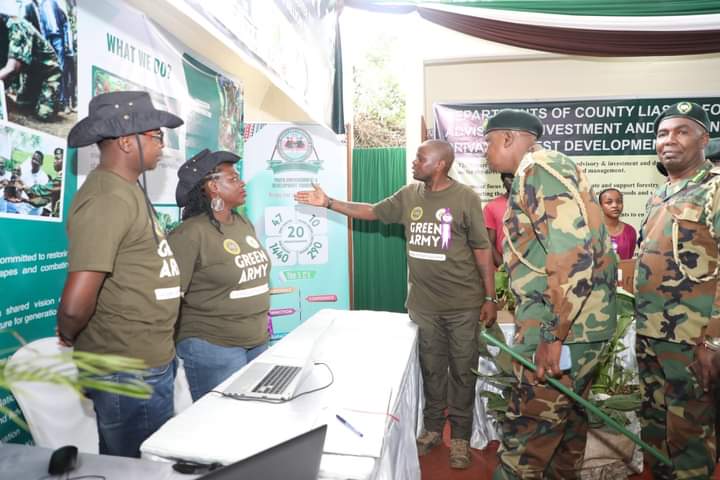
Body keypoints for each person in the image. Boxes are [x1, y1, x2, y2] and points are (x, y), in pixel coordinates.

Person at [295, 139, 497, 469]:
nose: (414, 163)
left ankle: (460, 436)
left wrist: (489, 297)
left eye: (421, 158)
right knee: (431, 369)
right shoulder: (409, 195)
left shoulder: (465, 198)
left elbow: (482, 249)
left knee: (462, 370)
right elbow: (372, 211)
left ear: (440, 165)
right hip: (424, 305)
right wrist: (328, 202)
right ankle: (432, 428)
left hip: (463, 304)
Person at [483, 109, 617, 479]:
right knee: (567, 434)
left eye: (489, 143)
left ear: (509, 138)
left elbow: (572, 257)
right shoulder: (550, 167)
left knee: (525, 441)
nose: (486, 152)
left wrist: (552, 337)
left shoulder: (537, 169)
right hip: (582, 328)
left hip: (565, 331)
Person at [56, 91, 184, 457]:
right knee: (135, 468)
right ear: (127, 141)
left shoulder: (126, 191)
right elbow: (76, 303)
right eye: (156, 136)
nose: (162, 146)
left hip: (148, 360)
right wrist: (68, 332)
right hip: (127, 369)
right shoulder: (106, 198)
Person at [634, 101, 719, 479]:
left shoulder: (714, 189)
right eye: (663, 133)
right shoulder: (660, 195)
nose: (669, 140)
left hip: (691, 338)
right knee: (656, 429)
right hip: (651, 334)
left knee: (690, 436)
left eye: (682, 131)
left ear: (704, 138)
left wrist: (713, 342)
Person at [169, 149, 271, 402]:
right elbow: (169, 296)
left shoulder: (242, 222)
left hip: (256, 341)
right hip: (213, 346)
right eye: (233, 179)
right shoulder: (190, 234)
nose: (241, 182)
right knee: (219, 428)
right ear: (213, 186)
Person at [0, 13, 61, 120]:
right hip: (30, 74)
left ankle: (53, 98)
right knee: (22, 106)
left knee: (44, 114)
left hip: (48, 74)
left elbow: (12, 68)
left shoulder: (17, 26)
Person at [483, 172, 513, 267]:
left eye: (515, 177)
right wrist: (502, 266)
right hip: (503, 267)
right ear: (503, 183)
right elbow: (488, 243)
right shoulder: (492, 207)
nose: (513, 181)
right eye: (509, 178)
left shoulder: (535, 205)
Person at [598, 188, 637, 260]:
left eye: (619, 201)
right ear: (600, 206)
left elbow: (628, 260)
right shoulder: (594, 231)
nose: (615, 205)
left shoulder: (630, 231)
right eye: (609, 202)